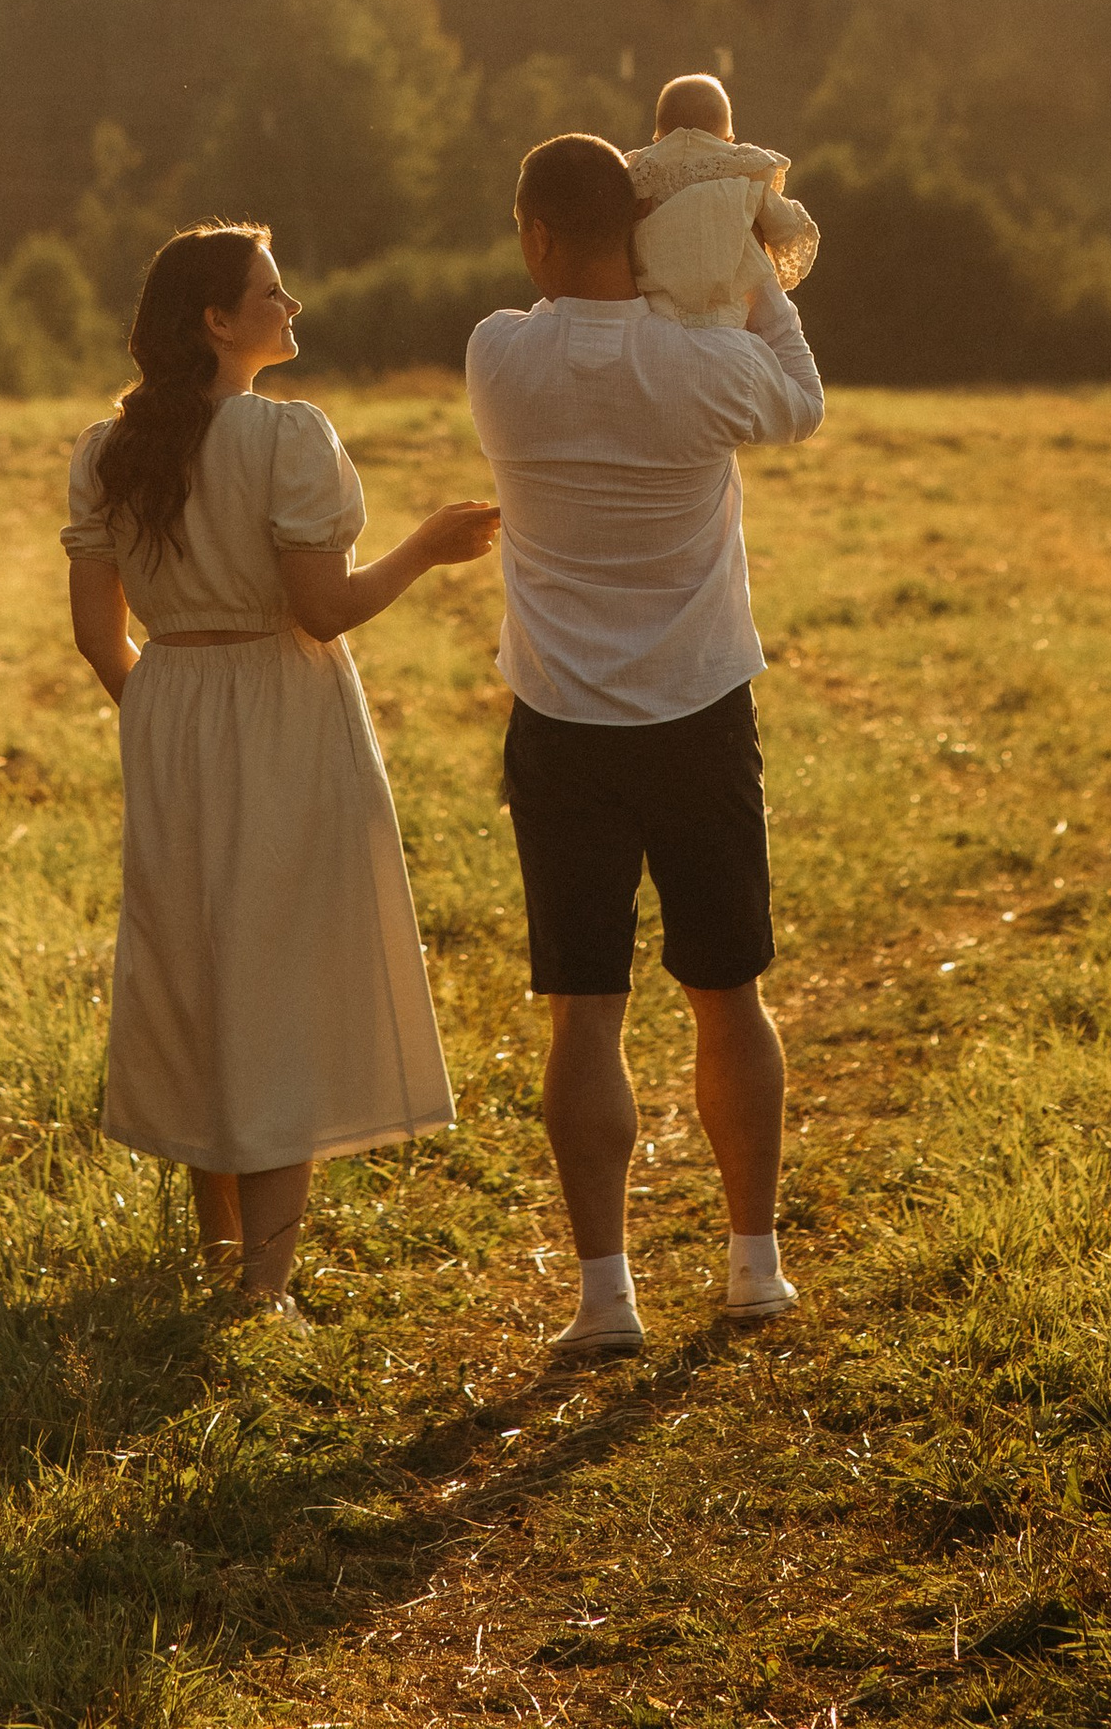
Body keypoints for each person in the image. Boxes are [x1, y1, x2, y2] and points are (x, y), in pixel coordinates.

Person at [63, 219, 499, 1311]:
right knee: (282, 978)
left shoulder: (107, 448)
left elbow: (93, 632)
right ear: (216, 321)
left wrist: (165, 711)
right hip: (280, 706)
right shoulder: (285, 436)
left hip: (171, 709)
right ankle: (264, 1287)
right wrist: (425, 547)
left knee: (198, 973)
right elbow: (323, 608)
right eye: (271, 290)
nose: (291, 304)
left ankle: (221, 1263)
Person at [466, 131, 825, 1358]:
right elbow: (802, 401)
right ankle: (751, 1269)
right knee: (727, 994)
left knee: (584, 1017)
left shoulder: (497, 359)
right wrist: (745, 262)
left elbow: (571, 321)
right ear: (637, 234)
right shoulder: (703, 364)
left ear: (533, 237)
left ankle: (603, 1294)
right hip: (698, 710)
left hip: (562, 724)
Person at [627, 67, 820, 330]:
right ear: (729, 138)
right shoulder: (742, 164)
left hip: (655, 302)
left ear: (657, 137)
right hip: (724, 308)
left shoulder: (641, 166)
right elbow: (780, 220)